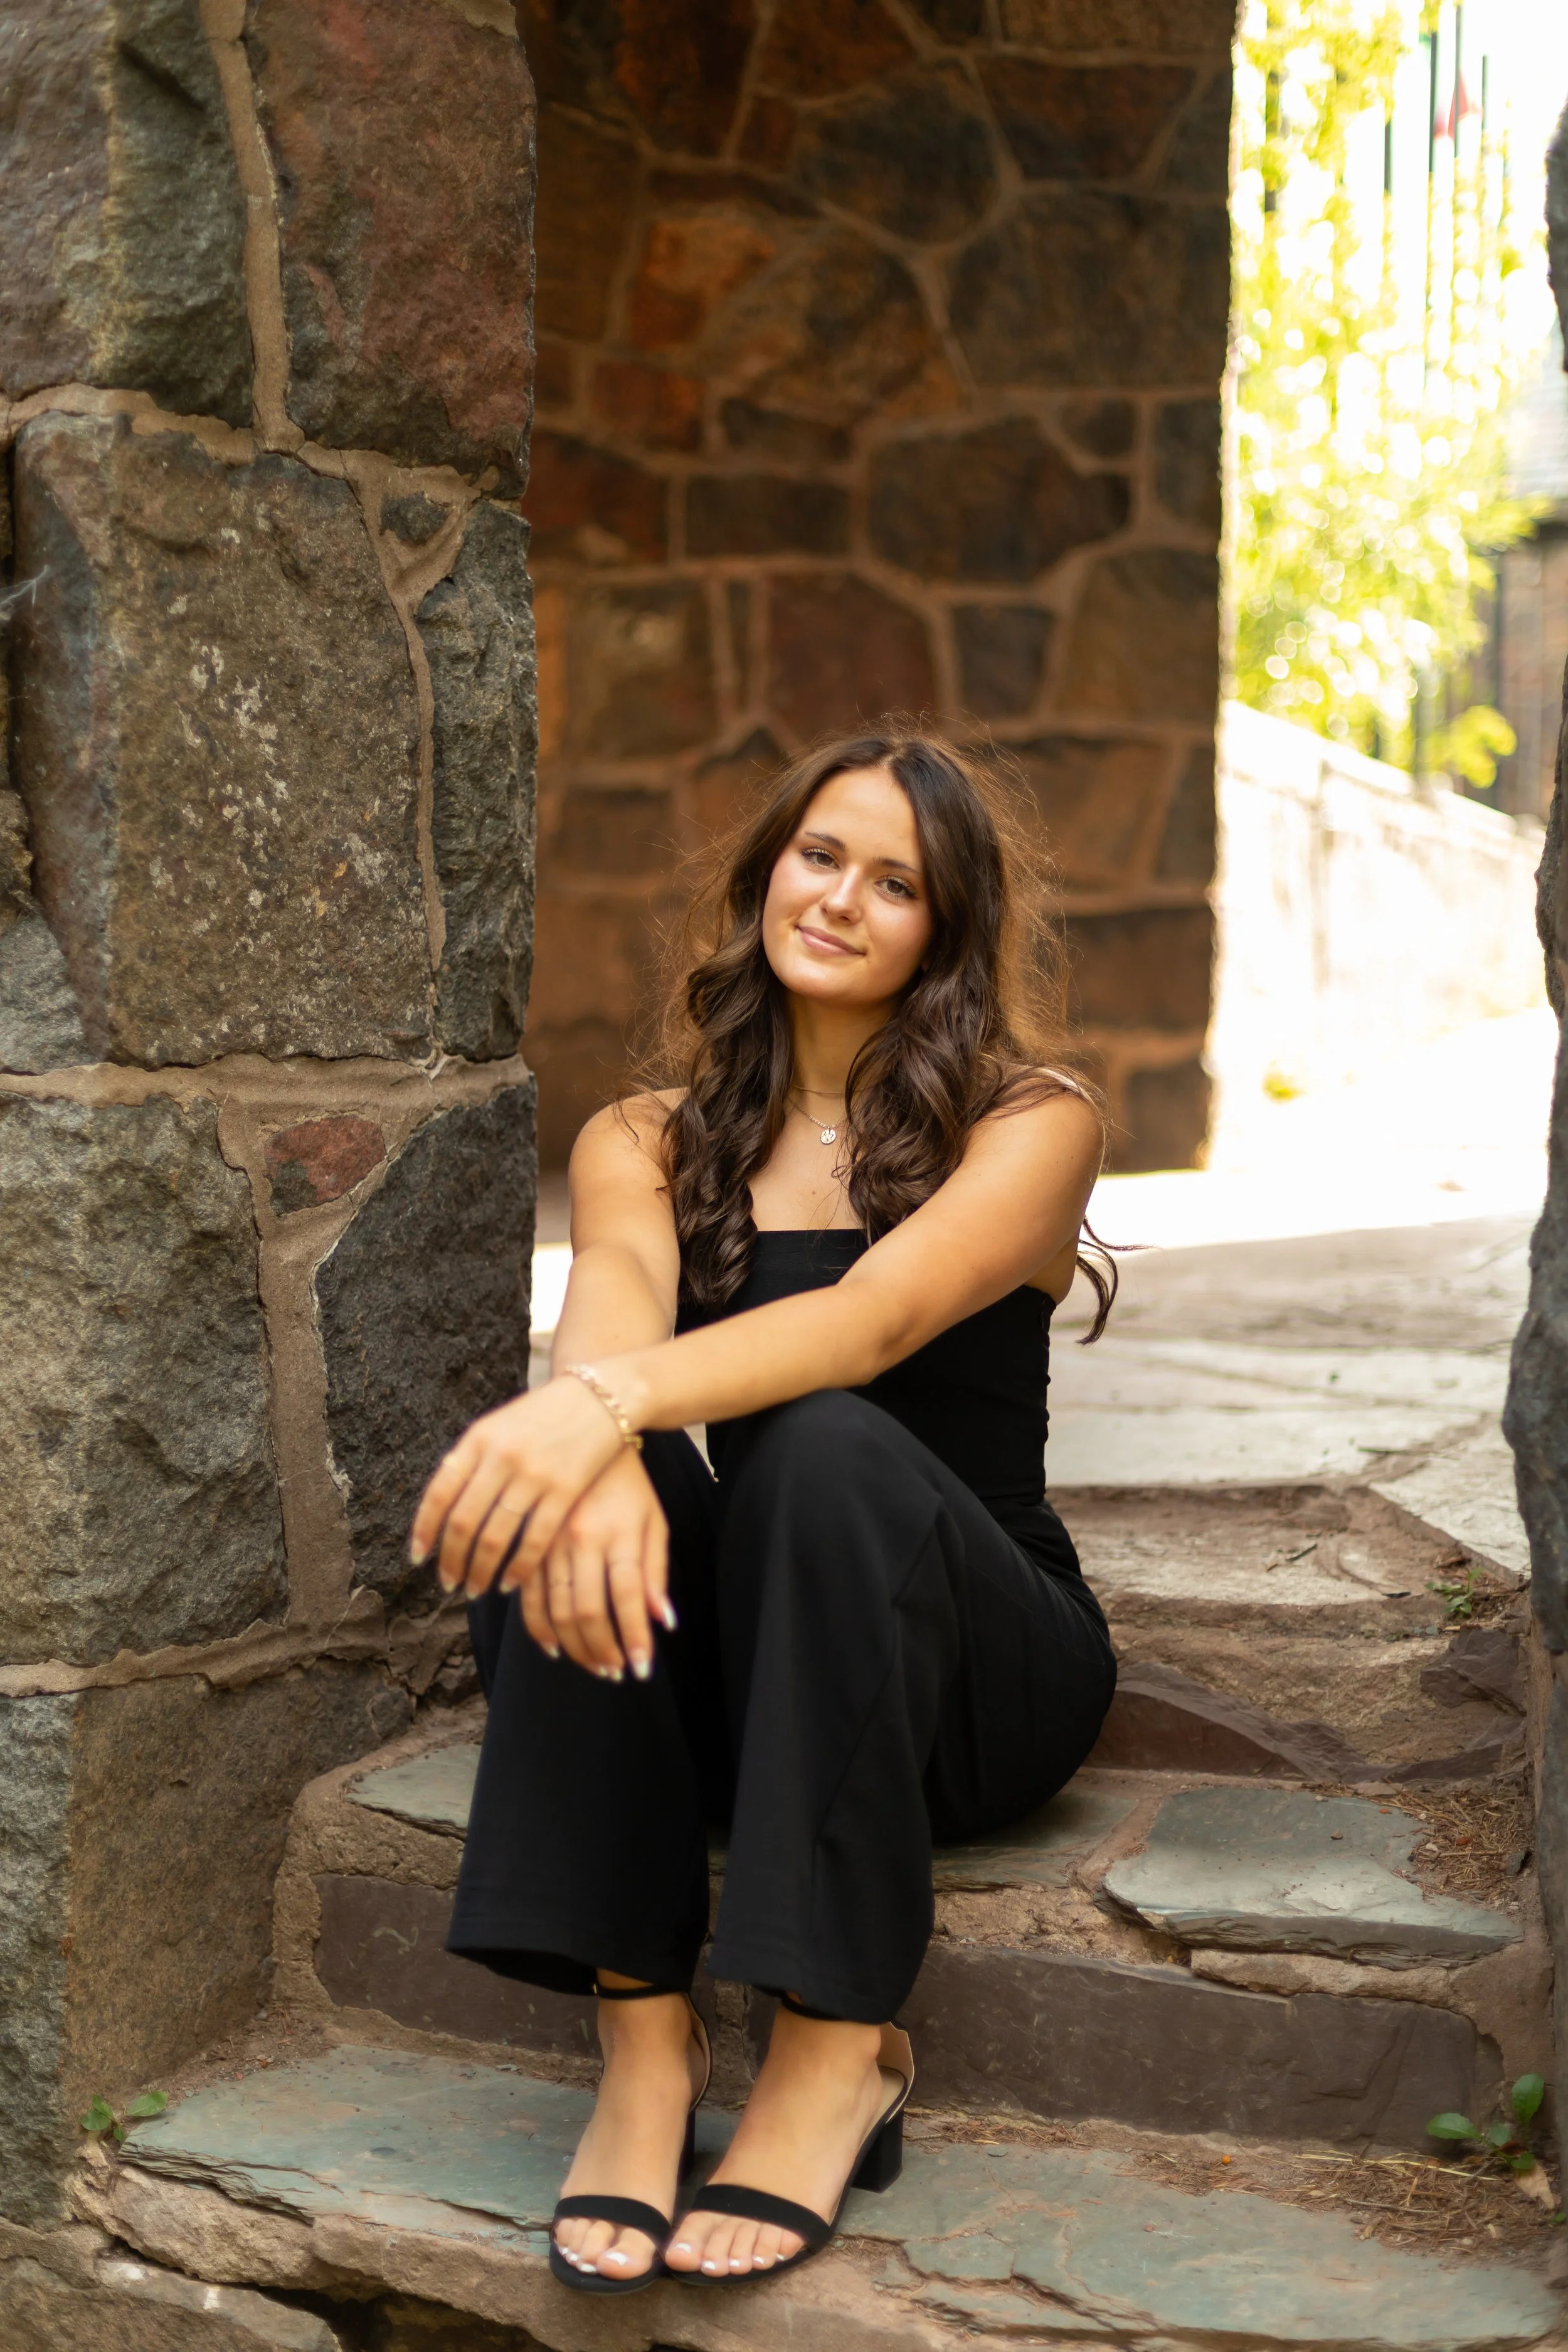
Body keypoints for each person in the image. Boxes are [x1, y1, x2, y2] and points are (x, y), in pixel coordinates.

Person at [410, 725, 1118, 2296]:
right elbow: (612, 1311)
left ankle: (830, 2050)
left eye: (898, 884)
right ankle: (642, 2040)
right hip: (761, 1685)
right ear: (762, 876)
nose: (843, 901)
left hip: (970, 1670)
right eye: (820, 857)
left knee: (811, 1438)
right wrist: (593, 1437)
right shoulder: (642, 1139)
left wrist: (597, 1405)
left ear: (949, 931)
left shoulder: (1026, 1122)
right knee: (580, 1464)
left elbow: (865, 1330)